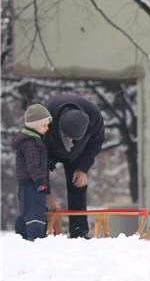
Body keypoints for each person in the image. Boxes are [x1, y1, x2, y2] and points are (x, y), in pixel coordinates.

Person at [43, 94, 105, 238]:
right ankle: (40, 230)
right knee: (38, 189)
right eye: (67, 136)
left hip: (78, 153)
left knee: (78, 182)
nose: (70, 140)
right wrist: (46, 194)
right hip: (50, 150)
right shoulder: (46, 118)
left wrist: (82, 168)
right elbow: (38, 162)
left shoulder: (94, 116)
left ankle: (79, 231)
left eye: (74, 138)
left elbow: (96, 143)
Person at [13, 104, 53, 241]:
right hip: (32, 183)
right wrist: (40, 181)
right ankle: (35, 239)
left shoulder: (32, 140)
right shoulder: (30, 142)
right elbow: (33, 164)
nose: (47, 128)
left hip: (29, 182)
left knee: (28, 209)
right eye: (44, 125)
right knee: (35, 210)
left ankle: (22, 236)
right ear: (34, 125)